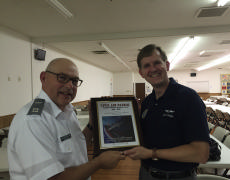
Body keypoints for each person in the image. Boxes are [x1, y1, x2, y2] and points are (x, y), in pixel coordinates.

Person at [8, 58, 125, 180]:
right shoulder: (33, 120)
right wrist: (98, 163)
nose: (70, 85)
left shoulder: (67, 110)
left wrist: (92, 124)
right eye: (62, 78)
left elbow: (75, 147)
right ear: (43, 78)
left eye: (74, 81)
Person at [124, 44, 210, 180]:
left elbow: (201, 153)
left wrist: (152, 153)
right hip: (146, 174)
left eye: (157, 63)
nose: (152, 69)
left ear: (167, 65)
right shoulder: (147, 102)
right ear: (141, 73)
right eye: (146, 66)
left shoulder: (189, 98)